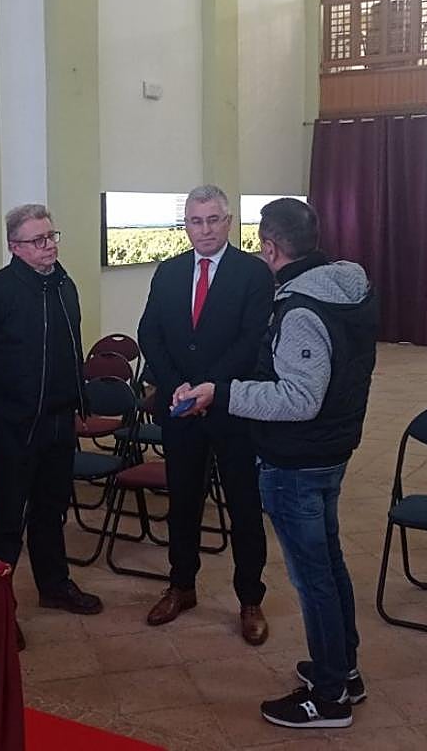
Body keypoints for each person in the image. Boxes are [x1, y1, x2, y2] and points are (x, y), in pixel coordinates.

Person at [176, 197, 378, 730]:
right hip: (329, 450)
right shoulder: (345, 289)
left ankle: (330, 697)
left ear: (269, 246)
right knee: (329, 566)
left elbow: (298, 398)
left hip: (300, 458)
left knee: (314, 578)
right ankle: (344, 670)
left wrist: (222, 392)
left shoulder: (304, 310)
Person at [0, 204, 103, 651]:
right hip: (15, 423)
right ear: (15, 247)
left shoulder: (63, 285)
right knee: (7, 516)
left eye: (52, 235)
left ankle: (54, 585)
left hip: (60, 419)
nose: (49, 245)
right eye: (38, 240)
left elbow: (71, 346)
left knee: (51, 509)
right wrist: (1, 399)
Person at [137, 185, 274, 645]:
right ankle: (181, 586)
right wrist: (175, 382)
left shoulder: (253, 274)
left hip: (232, 408)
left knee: (243, 508)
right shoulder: (170, 272)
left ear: (228, 221)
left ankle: (250, 598)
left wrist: (209, 388)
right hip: (180, 409)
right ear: (186, 225)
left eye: (213, 220)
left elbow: (253, 340)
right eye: (196, 221)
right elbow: (150, 333)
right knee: (183, 504)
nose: (205, 230)